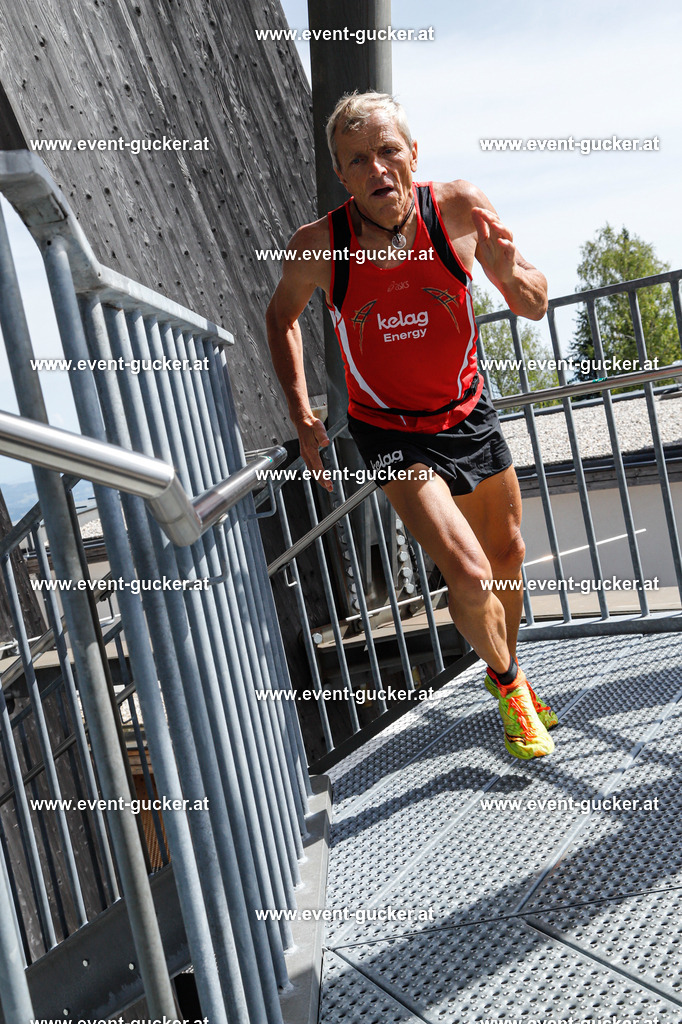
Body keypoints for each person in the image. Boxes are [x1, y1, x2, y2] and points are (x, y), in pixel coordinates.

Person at [266, 91, 558, 759]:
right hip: (391, 432)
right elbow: (279, 317)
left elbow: (534, 303)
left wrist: (513, 279)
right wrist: (301, 410)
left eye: (388, 151)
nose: (377, 169)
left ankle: (502, 668)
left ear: (413, 154)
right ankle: (512, 687)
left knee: (507, 553)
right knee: (465, 566)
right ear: (341, 175)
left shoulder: (456, 208)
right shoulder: (319, 247)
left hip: (468, 411)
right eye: (358, 160)